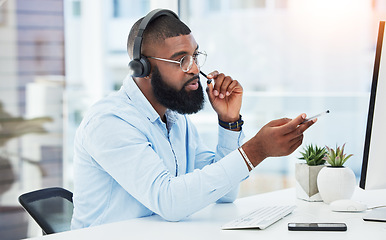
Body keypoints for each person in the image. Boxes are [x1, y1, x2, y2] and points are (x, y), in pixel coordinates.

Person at [71, 9, 315, 229]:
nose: (196, 69)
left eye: (195, 56)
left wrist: (229, 122)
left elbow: (225, 194)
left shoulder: (175, 118)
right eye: (181, 60)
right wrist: (256, 150)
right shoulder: (109, 122)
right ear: (143, 69)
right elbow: (169, 201)